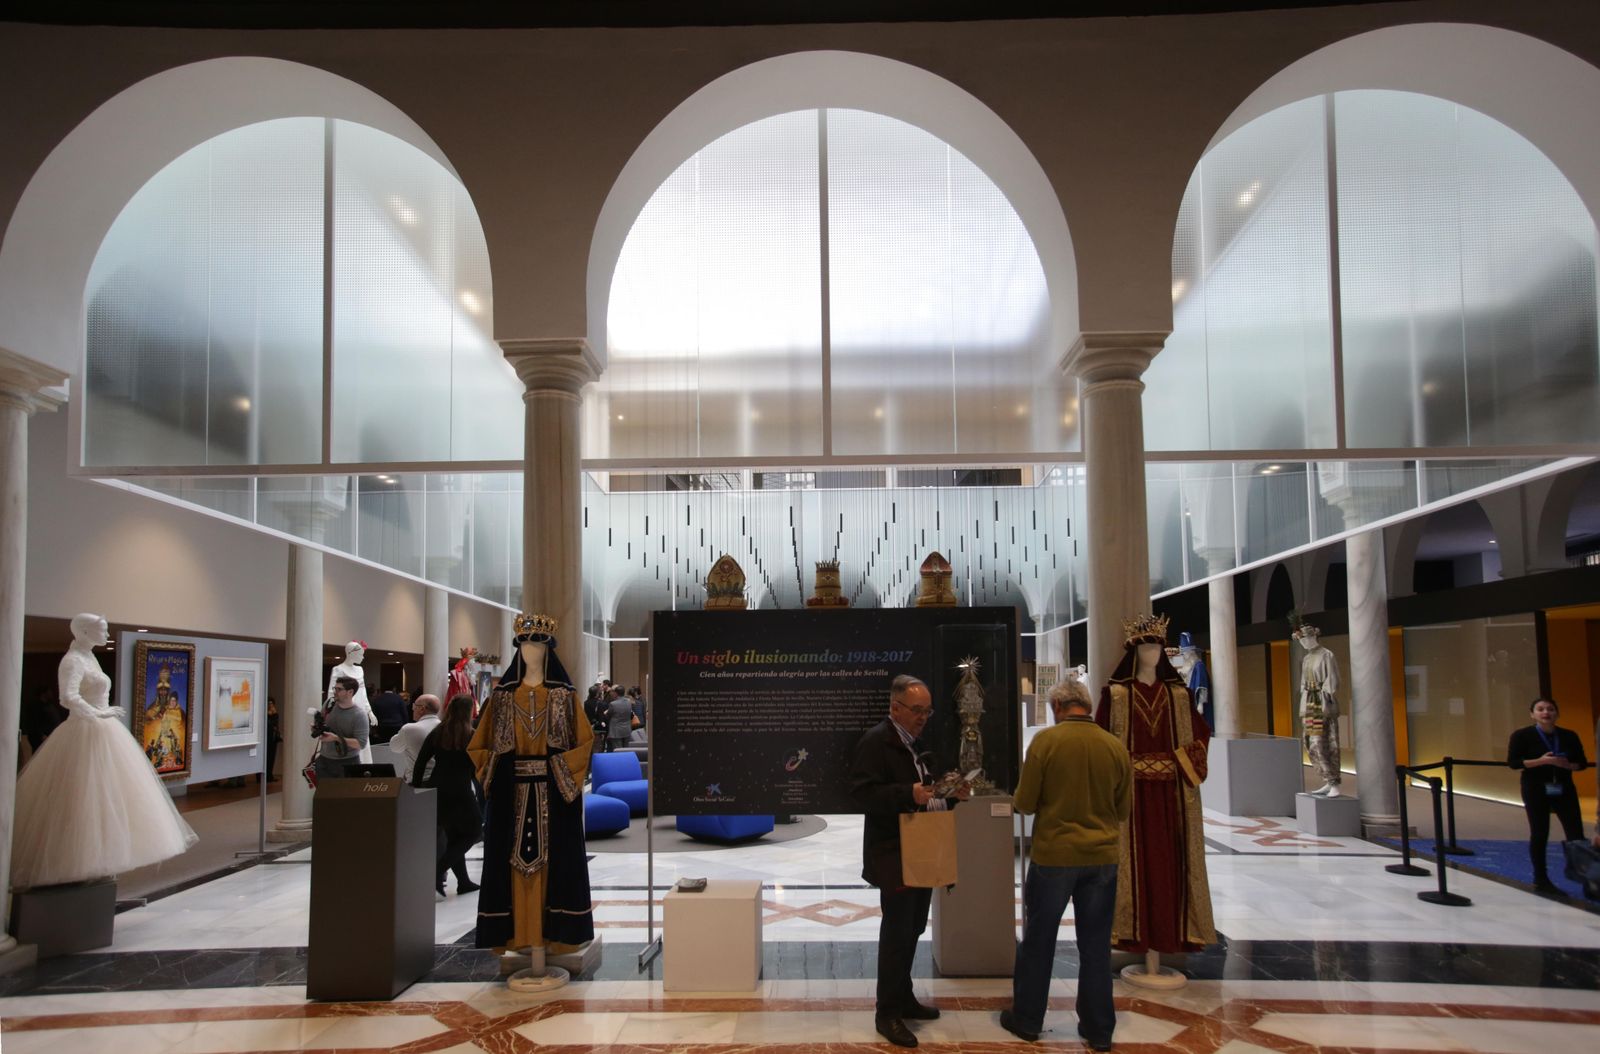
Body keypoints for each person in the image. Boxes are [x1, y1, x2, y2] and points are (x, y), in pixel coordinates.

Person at [11, 613, 198, 888]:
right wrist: (100, 712)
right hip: (85, 729)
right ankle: (75, 863)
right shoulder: (73, 660)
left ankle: (101, 861)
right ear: (84, 632)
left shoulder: (89, 657)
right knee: (83, 795)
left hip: (103, 729)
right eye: (102, 630)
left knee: (109, 795)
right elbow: (68, 697)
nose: (106, 634)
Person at [1001, 679, 1131, 1049]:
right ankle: (1099, 1029)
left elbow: (1024, 802)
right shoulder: (1114, 746)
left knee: (1039, 940)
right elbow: (1123, 809)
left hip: (1054, 856)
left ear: (1057, 707)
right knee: (1095, 946)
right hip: (1102, 857)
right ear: (1086, 706)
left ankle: (1027, 1019)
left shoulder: (1046, 742)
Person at [469, 613, 595, 970]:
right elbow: (479, 746)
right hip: (512, 795)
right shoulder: (503, 697)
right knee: (511, 865)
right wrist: (497, 770)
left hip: (555, 796)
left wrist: (560, 772)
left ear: (548, 649)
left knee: (558, 864)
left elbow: (583, 743)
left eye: (537, 644)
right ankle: (518, 936)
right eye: (524, 644)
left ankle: (554, 936)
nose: (530, 650)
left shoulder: (564, 696)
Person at [850, 674, 966, 1049]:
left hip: (919, 850)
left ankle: (904, 998)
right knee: (897, 933)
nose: (923, 717)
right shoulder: (876, 742)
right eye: (917, 710)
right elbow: (863, 795)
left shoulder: (916, 743)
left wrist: (952, 794)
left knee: (914, 927)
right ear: (895, 708)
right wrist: (907, 793)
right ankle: (887, 1013)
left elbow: (926, 794)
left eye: (927, 711)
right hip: (892, 853)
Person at [1095, 613, 1215, 956]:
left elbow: (1199, 736)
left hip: (1170, 795)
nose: (1152, 653)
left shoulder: (1178, 696)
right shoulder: (1116, 694)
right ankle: (1131, 933)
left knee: (1169, 865)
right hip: (1130, 794)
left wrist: (1177, 763)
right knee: (1131, 863)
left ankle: (1169, 934)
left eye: (1157, 647)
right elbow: (1101, 739)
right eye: (1146, 647)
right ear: (1134, 652)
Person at [1507, 697, 1589, 894]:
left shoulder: (1569, 736)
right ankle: (1541, 878)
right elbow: (1514, 763)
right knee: (1540, 832)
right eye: (1541, 709)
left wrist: (1568, 765)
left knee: (1576, 834)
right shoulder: (1522, 735)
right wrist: (1541, 761)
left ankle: (1587, 877)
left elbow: (1582, 763)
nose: (1546, 713)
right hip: (1535, 788)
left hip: (1563, 787)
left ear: (1557, 714)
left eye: (1550, 709)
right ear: (1532, 714)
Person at [414, 693, 483, 897]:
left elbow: (421, 761)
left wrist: (417, 785)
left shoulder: (439, 731)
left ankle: (463, 882)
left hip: (439, 789)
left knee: (454, 836)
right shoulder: (471, 734)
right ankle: (437, 870)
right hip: (460, 790)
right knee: (474, 831)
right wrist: (482, 789)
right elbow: (475, 767)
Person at [1294, 623, 1342, 797]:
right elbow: (1302, 682)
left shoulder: (1326, 655)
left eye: (1305, 639)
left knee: (1325, 742)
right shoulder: (1307, 658)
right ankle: (1327, 779)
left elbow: (1333, 679)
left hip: (1321, 702)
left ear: (1313, 637)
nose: (1304, 643)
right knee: (1311, 743)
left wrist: (1324, 694)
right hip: (1309, 702)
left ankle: (1334, 780)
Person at [313, 676, 370, 783]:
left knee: (344, 798)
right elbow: (321, 722)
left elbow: (360, 743)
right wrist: (316, 728)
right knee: (323, 797)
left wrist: (335, 738)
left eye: (339, 689)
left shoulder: (359, 715)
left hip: (348, 762)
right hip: (324, 761)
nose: (335, 692)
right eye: (335, 689)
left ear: (350, 692)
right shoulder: (329, 704)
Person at [392, 693, 443, 784]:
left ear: (422, 708)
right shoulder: (446, 728)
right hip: (441, 780)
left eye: (414, 706)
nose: (412, 709)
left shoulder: (409, 729)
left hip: (418, 780)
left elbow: (394, 747)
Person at [606, 686, 634, 751]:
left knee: (618, 750)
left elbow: (608, 716)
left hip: (616, 731)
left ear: (616, 693)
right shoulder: (629, 702)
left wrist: (606, 713)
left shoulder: (613, 704)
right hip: (627, 729)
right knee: (626, 750)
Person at [263, 696, 281, 782]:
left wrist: (274, 714)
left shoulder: (275, 714)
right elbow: (267, 725)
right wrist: (268, 715)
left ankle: (269, 775)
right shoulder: (263, 713)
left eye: (272, 703)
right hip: (265, 738)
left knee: (271, 758)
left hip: (273, 739)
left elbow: (275, 724)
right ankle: (262, 777)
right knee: (264, 758)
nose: (270, 705)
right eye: (269, 703)